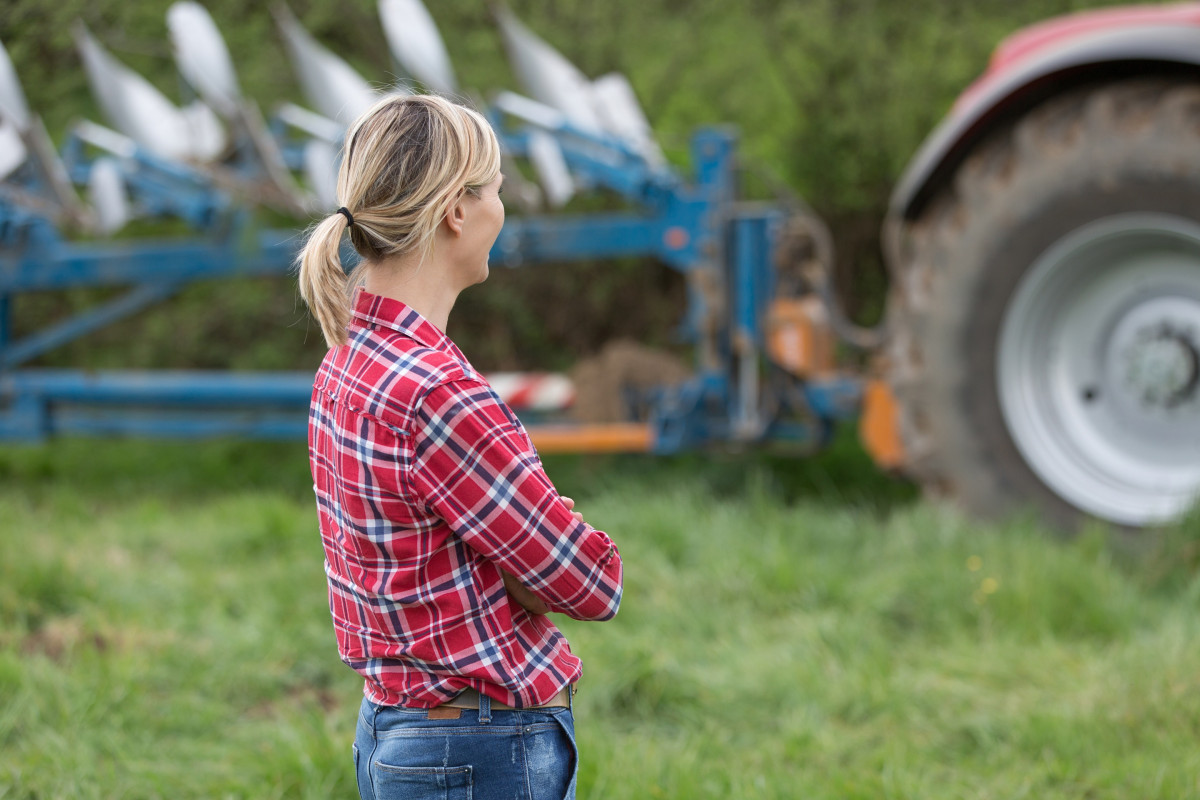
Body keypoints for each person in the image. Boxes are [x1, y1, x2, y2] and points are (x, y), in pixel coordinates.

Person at [296, 93, 623, 800]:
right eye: (497, 189)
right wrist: (532, 547)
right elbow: (592, 585)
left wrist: (508, 558)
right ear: (456, 210)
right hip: (478, 747)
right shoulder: (443, 396)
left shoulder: (344, 364)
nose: (501, 209)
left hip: (390, 724)